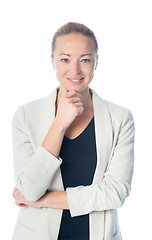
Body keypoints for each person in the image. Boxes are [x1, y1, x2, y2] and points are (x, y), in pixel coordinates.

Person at [12, 22, 135, 240]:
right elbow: (29, 190)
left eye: (85, 59)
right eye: (65, 59)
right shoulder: (25, 116)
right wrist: (59, 123)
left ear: (96, 62)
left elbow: (115, 193)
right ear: (52, 61)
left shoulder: (120, 119)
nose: (75, 70)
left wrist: (44, 200)